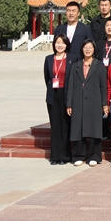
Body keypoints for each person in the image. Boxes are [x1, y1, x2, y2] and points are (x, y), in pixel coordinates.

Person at [66, 39, 108, 166]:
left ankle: (94, 156)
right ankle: (79, 155)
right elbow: (71, 86)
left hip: (94, 102)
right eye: (85, 47)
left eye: (90, 47)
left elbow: (103, 86)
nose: (87, 49)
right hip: (78, 101)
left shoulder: (99, 66)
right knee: (78, 128)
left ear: (94, 49)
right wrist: (69, 103)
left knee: (94, 129)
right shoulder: (76, 66)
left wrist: (104, 103)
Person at [43, 34, 71, 165]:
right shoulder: (48, 59)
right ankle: (54, 156)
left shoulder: (71, 59)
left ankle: (64, 156)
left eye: (63, 43)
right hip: (53, 95)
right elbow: (47, 78)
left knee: (65, 126)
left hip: (65, 94)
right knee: (55, 126)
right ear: (54, 44)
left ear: (67, 45)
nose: (60, 45)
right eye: (58, 42)